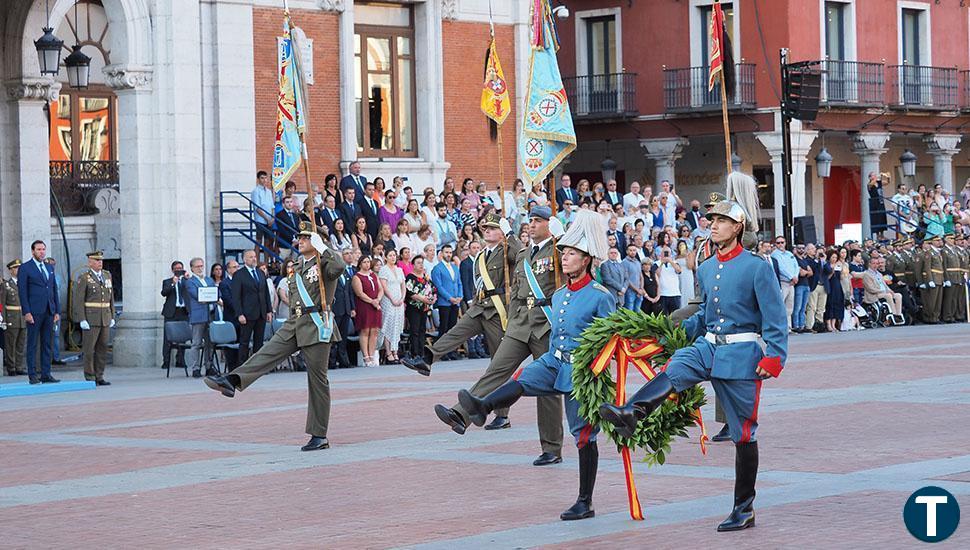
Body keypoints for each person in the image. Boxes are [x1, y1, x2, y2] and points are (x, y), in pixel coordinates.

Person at [600, 200, 788, 533]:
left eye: (721, 221)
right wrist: (668, 334)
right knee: (677, 366)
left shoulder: (756, 267)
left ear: (737, 228)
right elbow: (704, 316)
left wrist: (775, 356)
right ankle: (633, 411)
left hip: (741, 353)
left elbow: (775, 316)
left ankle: (744, 508)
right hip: (707, 345)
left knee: (744, 434)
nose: (713, 225)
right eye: (712, 220)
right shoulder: (706, 267)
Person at [457, 209, 615, 521]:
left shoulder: (601, 296)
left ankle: (585, 501)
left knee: (583, 436)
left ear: (586, 260)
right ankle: (483, 406)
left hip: (582, 371)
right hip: (554, 361)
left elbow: (610, 341)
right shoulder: (558, 296)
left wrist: (596, 374)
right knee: (522, 378)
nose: (565, 258)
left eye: (571, 254)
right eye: (564, 252)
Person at [432, 206, 566, 464]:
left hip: (545, 325)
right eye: (531, 221)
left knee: (547, 388)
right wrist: (512, 319)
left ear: (550, 224)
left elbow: (581, 265)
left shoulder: (559, 250)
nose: (532, 225)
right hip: (520, 324)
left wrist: (564, 239)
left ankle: (551, 448)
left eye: (538, 221)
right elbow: (516, 291)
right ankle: (461, 415)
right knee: (496, 369)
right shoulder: (525, 253)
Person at [204, 222, 346, 451]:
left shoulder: (325, 262)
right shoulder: (297, 266)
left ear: (317, 241)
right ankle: (233, 380)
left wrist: (325, 248)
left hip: (317, 324)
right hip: (295, 322)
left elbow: (339, 267)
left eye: (306, 237)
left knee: (317, 380)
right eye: (299, 237)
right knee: (267, 352)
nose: (300, 241)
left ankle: (319, 435)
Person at [404, 213, 519, 374]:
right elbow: (477, 283)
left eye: (493, 228)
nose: (487, 231)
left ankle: (498, 390)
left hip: (496, 310)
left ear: (502, 233)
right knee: (455, 333)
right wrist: (472, 301)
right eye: (485, 228)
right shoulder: (480, 256)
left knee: (498, 358)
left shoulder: (506, 252)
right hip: (479, 307)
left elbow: (521, 255)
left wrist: (511, 234)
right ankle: (428, 359)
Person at [71, 251, 116, 386]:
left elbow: (111, 297)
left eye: (101, 260)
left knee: (102, 348)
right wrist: (82, 319)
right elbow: (79, 300)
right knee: (89, 349)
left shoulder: (107, 275)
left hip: (105, 317)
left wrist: (112, 315)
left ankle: (99, 375)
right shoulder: (84, 278)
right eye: (96, 260)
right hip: (91, 318)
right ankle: (90, 375)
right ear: (90, 262)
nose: (100, 263)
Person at [18, 240, 60, 384]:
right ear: (33, 251)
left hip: (49, 310)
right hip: (34, 311)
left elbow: (54, 290)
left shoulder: (49, 267)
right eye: (39, 249)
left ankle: (46, 373)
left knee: (47, 343)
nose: (42, 252)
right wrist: (26, 312)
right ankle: (32, 374)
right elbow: (22, 292)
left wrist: (57, 311)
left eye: (43, 249)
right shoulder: (25, 268)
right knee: (32, 344)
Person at [231, 250, 274, 366]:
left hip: (261, 312)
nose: (254, 259)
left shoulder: (260, 273)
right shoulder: (239, 275)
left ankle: (257, 366)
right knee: (244, 341)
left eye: (255, 257)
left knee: (259, 341)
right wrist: (239, 313)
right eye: (250, 257)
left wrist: (269, 310)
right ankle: (242, 366)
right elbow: (236, 296)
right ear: (244, 260)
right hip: (247, 314)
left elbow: (265, 293)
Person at [184, 257, 217, 378]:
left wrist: (210, 298)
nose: (200, 268)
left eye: (202, 266)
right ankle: (195, 368)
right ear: (192, 268)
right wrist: (207, 298)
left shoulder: (209, 280)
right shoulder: (190, 282)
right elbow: (196, 295)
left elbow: (216, 293)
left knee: (210, 342)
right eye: (197, 266)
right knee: (197, 343)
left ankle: (209, 366)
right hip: (198, 315)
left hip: (210, 314)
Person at [430, 243, 462, 357]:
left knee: (452, 328)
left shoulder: (454, 267)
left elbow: (459, 283)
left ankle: (451, 351)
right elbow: (439, 287)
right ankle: (440, 352)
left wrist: (460, 296)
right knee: (443, 327)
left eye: (450, 252)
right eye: (446, 252)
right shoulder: (437, 269)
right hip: (444, 303)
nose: (448, 254)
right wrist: (450, 298)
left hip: (455, 302)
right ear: (441, 254)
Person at [352, 255, 383, 367]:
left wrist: (378, 299)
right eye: (364, 262)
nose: (367, 264)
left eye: (368, 262)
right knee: (365, 330)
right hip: (364, 306)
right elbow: (359, 293)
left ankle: (372, 355)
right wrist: (372, 301)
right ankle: (366, 356)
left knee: (374, 331)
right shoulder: (357, 277)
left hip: (375, 305)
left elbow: (380, 289)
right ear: (360, 264)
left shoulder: (373, 275)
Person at [161, 260, 189, 371]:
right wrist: (173, 283)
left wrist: (187, 279)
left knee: (183, 337)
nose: (178, 270)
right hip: (171, 312)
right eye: (176, 269)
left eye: (180, 268)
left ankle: (180, 360)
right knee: (167, 338)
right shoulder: (167, 281)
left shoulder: (186, 281)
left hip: (183, 311)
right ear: (173, 270)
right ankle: (166, 361)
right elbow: (164, 293)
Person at [379, 249, 406, 364]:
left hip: (399, 300)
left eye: (394, 255)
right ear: (385, 257)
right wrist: (392, 299)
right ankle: (388, 352)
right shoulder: (383, 270)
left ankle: (395, 351)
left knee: (397, 325)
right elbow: (384, 287)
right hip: (388, 300)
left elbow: (403, 286)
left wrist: (402, 298)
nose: (392, 257)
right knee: (388, 325)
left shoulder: (399, 270)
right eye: (390, 255)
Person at [1, 260, 27, 376]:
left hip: (22, 318)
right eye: (16, 268)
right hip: (11, 318)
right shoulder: (6, 285)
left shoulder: (24, 283)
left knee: (21, 344)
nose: (19, 270)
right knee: (10, 344)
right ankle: (11, 367)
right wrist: (3, 320)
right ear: (11, 270)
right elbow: (2, 303)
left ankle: (19, 366)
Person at [770, 236, 798, 331]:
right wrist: (791, 277)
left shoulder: (790, 254)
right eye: (778, 243)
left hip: (791, 283)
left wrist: (796, 276)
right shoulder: (775, 255)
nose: (780, 244)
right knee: (780, 305)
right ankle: (779, 326)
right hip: (783, 282)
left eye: (782, 242)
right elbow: (781, 268)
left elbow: (796, 266)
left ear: (785, 243)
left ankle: (788, 326)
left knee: (789, 306)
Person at [251, 171, 276, 261]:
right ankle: (256, 261)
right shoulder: (256, 191)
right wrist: (267, 218)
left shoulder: (269, 191)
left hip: (269, 219)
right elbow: (257, 208)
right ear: (258, 179)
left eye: (265, 178)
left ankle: (266, 262)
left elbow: (272, 206)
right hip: (260, 220)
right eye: (262, 178)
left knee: (267, 242)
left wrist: (272, 218)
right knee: (258, 241)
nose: (264, 180)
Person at [823, 249, 845, 332]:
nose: (834, 259)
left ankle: (834, 324)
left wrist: (841, 269)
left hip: (837, 286)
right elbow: (827, 277)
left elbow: (841, 277)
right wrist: (832, 271)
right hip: (830, 286)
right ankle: (828, 324)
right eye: (833, 257)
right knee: (830, 304)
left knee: (837, 304)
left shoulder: (838, 265)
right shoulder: (827, 265)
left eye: (836, 257)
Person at [656, 246, 683, 314]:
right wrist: (662, 262)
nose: (666, 254)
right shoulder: (656, 263)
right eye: (665, 252)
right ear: (661, 253)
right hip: (662, 294)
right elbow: (657, 274)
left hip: (675, 293)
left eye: (668, 253)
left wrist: (670, 261)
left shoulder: (675, 263)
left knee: (675, 316)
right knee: (663, 316)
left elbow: (679, 270)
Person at [275, 195, 301, 259]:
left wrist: (298, 239)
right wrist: (292, 239)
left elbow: (297, 228)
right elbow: (282, 230)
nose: (289, 204)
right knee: (284, 263)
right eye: (287, 202)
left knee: (294, 263)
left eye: (291, 202)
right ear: (283, 204)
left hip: (296, 244)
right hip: (285, 243)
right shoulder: (279, 215)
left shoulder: (295, 215)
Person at [621, 244, 643, 310]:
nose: (633, 252)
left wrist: (641, 289)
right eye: (630, 250)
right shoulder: (624, 262)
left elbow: (641, 276)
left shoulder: (638, 262)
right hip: (630, 291)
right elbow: (627, 279)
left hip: (639, 291)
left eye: (634, 250)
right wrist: (637, 290)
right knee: (630, 313)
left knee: (638, 312)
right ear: (627, 251)